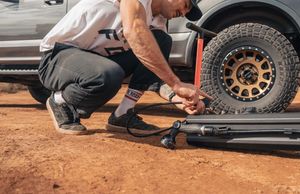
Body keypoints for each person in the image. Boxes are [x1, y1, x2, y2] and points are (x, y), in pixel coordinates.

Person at [38, 0, 210, 135]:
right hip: (57, 56)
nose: (184, 13)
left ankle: (122, 114)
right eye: (186, 4)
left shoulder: (158, 21)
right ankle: (60, 101)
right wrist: (177, 84)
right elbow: (134, 30)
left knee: (161, 41)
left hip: (97, 61)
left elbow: (153, 73)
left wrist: (179, 99)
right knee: (108, 74)